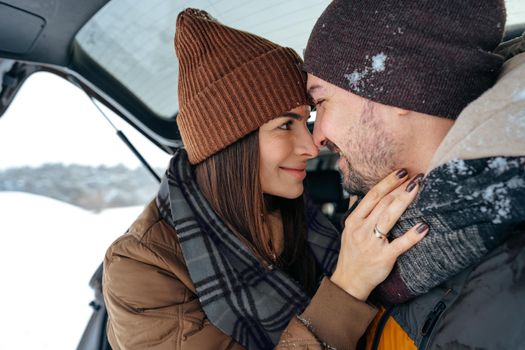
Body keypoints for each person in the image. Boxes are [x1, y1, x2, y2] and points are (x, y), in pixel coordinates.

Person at [103, 8, 428, 350]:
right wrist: (348, 285)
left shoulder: (295, 208)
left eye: (307, 121)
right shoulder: (141, 269)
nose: (311, 147)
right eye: (285, 125)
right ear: (230, 143)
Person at [304, 1, 525, 349]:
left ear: (396, 84)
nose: (316, 139)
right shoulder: (387, 240)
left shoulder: (511, 284)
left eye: (321, 102)